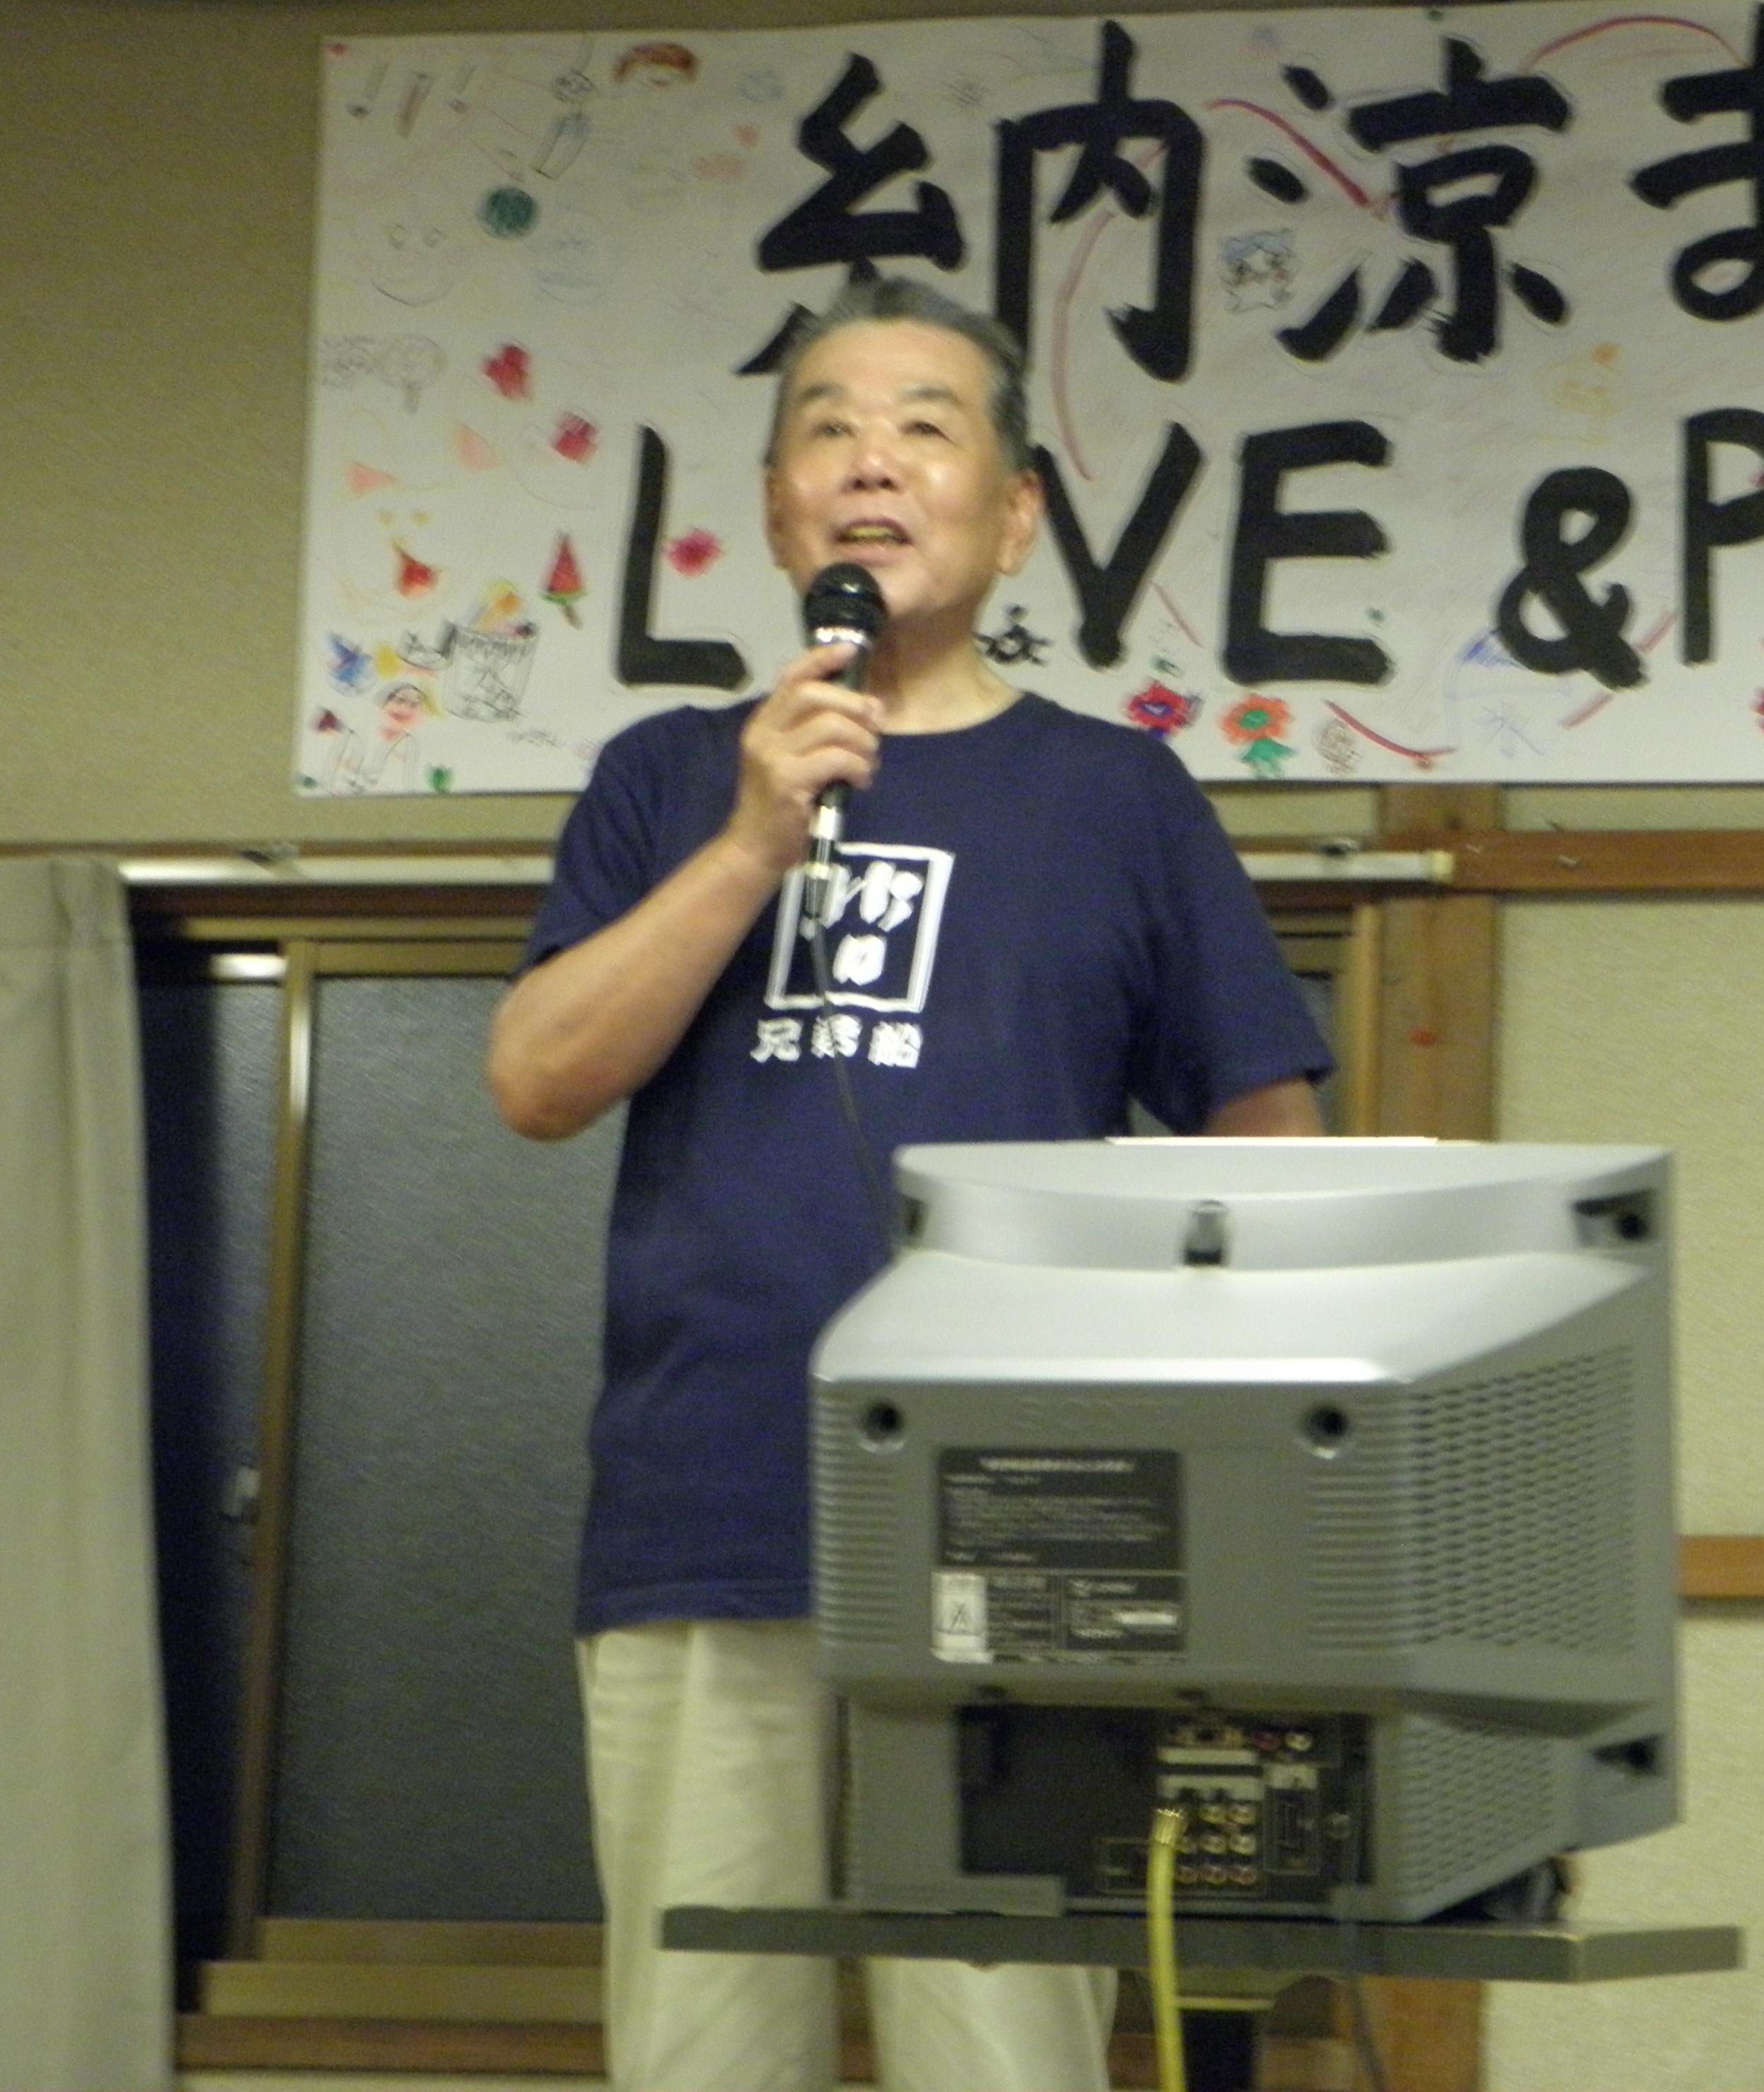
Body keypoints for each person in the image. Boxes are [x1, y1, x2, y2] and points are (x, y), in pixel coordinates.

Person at [489, 275, 1331, 2092]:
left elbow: (1269, 1158)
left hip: (1035, 1543)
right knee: (703, 2054)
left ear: (1014, 514)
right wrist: (749, 843)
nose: (872, 464)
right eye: (829, 430)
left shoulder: (1118, 796)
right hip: (709, 1518)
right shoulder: (666, 776)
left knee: (1003, 2056)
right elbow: (535, 1080)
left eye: (924, 429)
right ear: (776, 508)